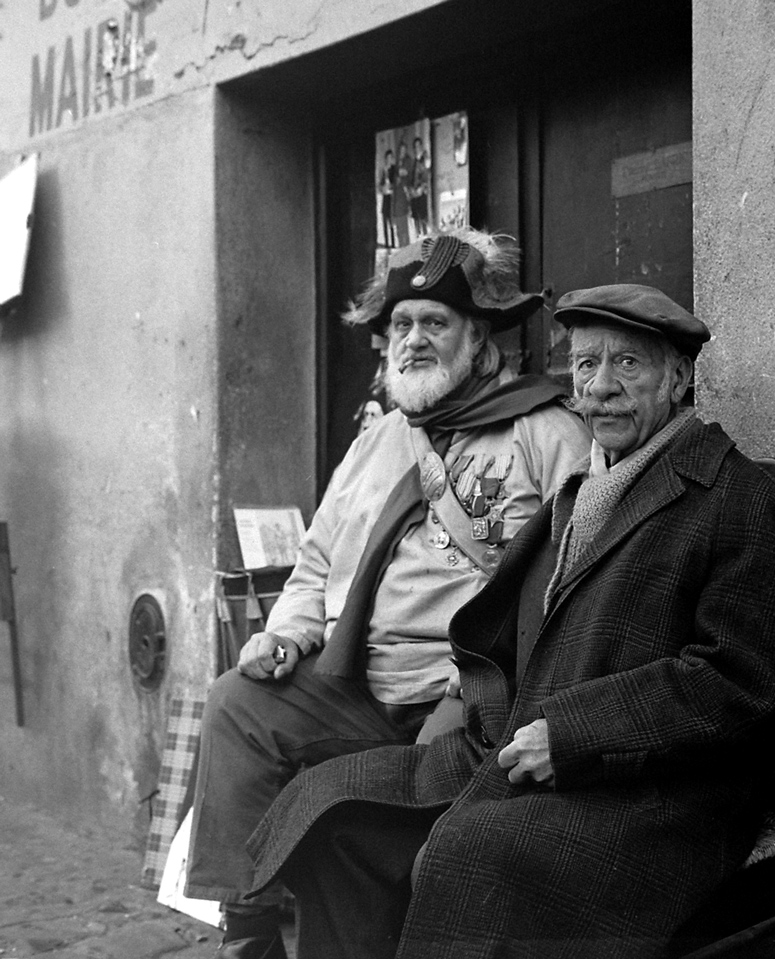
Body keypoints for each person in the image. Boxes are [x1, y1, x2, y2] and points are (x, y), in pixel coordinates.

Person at [246, 283, 775, 959]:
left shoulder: (733, 497)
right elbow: (512, 636)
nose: (600, 386)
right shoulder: (580, 486)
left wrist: (572, 733)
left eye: (627, 364)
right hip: (517, 754)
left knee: (467, 856)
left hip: (652, 795)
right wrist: (482, 705)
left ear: (679, 377)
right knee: (329, 810)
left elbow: (741, 680)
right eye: (584, 365)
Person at [185, 229, 592, 959]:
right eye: (400, 325)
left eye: (433, 322)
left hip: (465, 693)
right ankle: (247, 937)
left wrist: (498, 684)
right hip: (358, 682)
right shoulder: (378, 440)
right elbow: (316, 560)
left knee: (346, 809)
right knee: (235, 706)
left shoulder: (545, 430)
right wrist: (286, 633)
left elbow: (579, 575)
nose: (412, 340)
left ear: (478, 334)